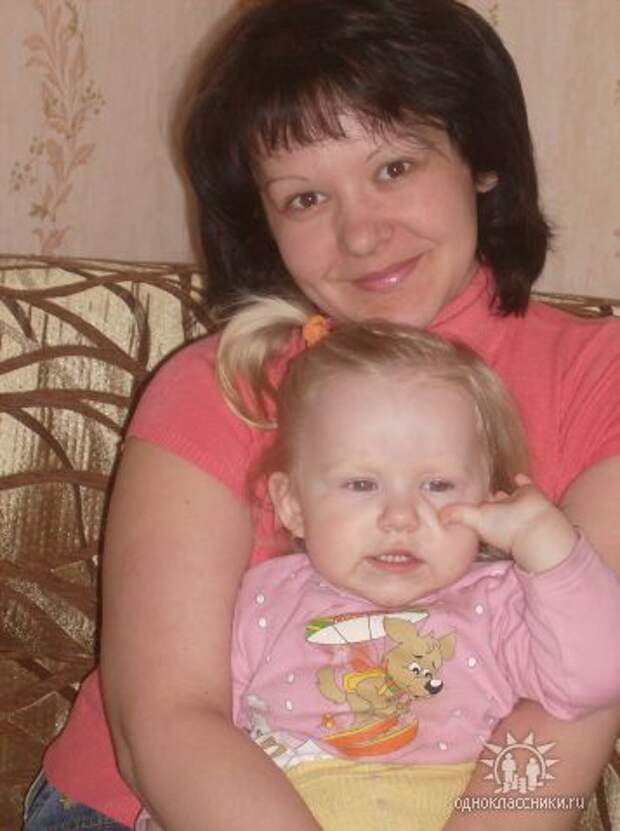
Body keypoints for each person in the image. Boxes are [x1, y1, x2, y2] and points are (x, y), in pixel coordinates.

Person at [23, 0, 620, 829]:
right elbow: (165, 714)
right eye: (304, 198)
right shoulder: (215, 384)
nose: (362, 235)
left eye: (394, 168)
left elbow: (578, 699)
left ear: (481, 158)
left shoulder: (598, 374)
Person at [133, 306, 620, 831]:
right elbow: (195, 751)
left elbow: (596, 680)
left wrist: (549, 550)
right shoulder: (262, 602)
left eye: (437, 485)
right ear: (292, 504)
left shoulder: (502, 604)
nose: (400, 517)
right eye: (361, 485)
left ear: (487, 497)